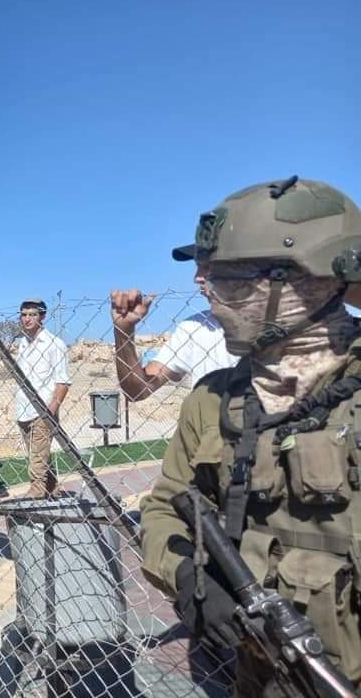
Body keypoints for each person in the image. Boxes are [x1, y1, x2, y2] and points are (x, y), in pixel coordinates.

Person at [140, 176, 361, 694]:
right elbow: (164, 510)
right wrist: (187, 576)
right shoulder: (214, 400)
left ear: (305, 282)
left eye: (230, 280)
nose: (208, 294)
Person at [111, 248, 236, 401]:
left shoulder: (271, 330)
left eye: (208, 266)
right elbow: (137, 391)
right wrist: (124, 331)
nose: (197, 278)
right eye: (198, 266)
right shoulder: (195, 327)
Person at [12, 298, 71, 498]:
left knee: (37, 460)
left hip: (43, 409)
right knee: (38, 455)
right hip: (23, 409)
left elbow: (63, 381)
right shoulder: (22, 344)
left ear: (42, 316)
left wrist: (51, 409)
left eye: (33, 314)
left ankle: (36, 492)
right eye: (24, 314)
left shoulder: (55, 344)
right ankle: (53, 490)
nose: (27, 319)